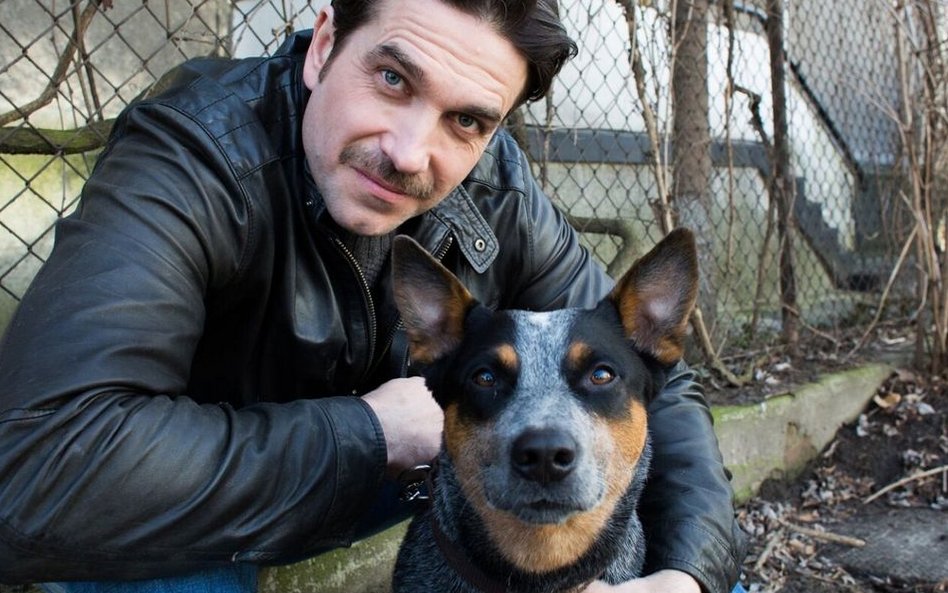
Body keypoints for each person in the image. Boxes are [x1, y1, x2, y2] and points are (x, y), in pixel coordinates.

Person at [0, 0, 746, 592]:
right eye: (392, 78)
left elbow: (659, 387)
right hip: (179, 497)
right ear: (324, 44)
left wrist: (686, 576)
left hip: (399, 469)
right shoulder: (192, 161)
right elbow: (36, 466)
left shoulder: (500, 191)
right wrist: (372, 434)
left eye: (466, 119)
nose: (409, 152)